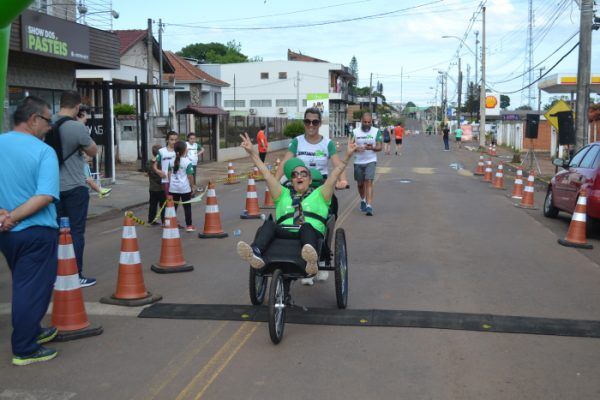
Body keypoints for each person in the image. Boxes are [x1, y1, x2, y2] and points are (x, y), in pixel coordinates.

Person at [237, 132, 357, 275]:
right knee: (268, 224)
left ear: (310, 180)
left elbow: (335, 174)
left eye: (303, 174)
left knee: (306, 226)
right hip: (285, 232)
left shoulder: (320, 193)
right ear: (291, 180)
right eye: (295, 175)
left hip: (309, 234)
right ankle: (255, 252)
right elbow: (266, 174)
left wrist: (347, 156)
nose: (299, 176)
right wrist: (252, 153)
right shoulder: (283, 193)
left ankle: (311, 261)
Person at [0, 96, 60, 366]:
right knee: (31, 289)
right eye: (48, 120)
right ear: (33, 119)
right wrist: (12, 216)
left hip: (7, 233)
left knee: (25, 284)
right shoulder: (43, 151)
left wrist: (4, 216)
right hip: (35, 232)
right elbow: (45, 195)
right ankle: (25, 348)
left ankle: (33, 330)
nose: (50, 126)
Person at [276, 107, 349, 284]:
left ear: (319, 123)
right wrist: (274, 180)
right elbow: (286, 161)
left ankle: (322, 257)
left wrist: (342, 181)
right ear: (304, 123)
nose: (311, 125)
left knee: (327, 219)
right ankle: (299, 257)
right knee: (290, 217)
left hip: (320, 187)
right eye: (307, 121)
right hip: (297, 185)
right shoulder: (297, 142)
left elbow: (337, 163)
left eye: (315, 122)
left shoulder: (327, 144)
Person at [54, 90, 98, 288]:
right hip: (74, 186)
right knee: (76, 232)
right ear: (78, 107)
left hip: (52, 188)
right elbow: (93, 150)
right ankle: (76, 274)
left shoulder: (47, 122)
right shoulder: (76, 127)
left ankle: (56, 274)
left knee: (56, 232)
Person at [352, 112, 382, 216]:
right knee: (360, 184)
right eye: (365, 122)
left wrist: (372, 148)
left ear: (371, 122)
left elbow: (379, 147)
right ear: (361, 121)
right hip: (358, 161)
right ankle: (363, 200)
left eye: (369, 122)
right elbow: (349, 147)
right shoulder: (355, 132)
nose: (367, 124)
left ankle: (369, 206)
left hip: (371, 160)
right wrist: (356, 148)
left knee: (369, 181)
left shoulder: (376, 132)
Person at [168, 141, 196, 232]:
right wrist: (193, 187)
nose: (187, 149)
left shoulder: (171, 160)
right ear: (184, 150)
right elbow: (190, 176)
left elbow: (169, 174)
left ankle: (171, 224)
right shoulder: (187, 162)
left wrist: (171, 183)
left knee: (172, 207)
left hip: (173, 188)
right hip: (184, 188)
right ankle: (189, 226)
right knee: (187, 207)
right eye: (186, 148)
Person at [153, 131, 178, 196]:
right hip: (166, 180)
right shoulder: (161, 151)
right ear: (167, 140)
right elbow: (154, 165)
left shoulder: (179, 151)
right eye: (171, 140)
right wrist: (158, 171)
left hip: (178, 181)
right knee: (169, 200)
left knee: (176, 201)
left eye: (175, 140)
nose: (174, 142)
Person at [148, 144, 166, 226]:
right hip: (161, 188)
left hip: (152, 188)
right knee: (163, 206)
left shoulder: (149, 162)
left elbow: (147, 172)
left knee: (153, 205)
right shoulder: (161, 163)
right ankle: (164, 221)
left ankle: (151, 220)